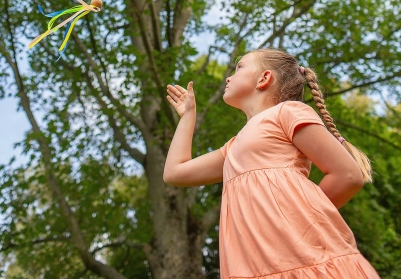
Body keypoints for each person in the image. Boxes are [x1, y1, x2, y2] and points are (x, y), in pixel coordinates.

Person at [163, 47, 381, 279]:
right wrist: (188, 117)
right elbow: (175, 173)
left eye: (239, 68)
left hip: (305, 258)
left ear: (264, 78)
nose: (229, 77)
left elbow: (347, 175)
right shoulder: (233, 148)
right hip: (253, 266)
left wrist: (301, 222)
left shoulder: (287, 112)